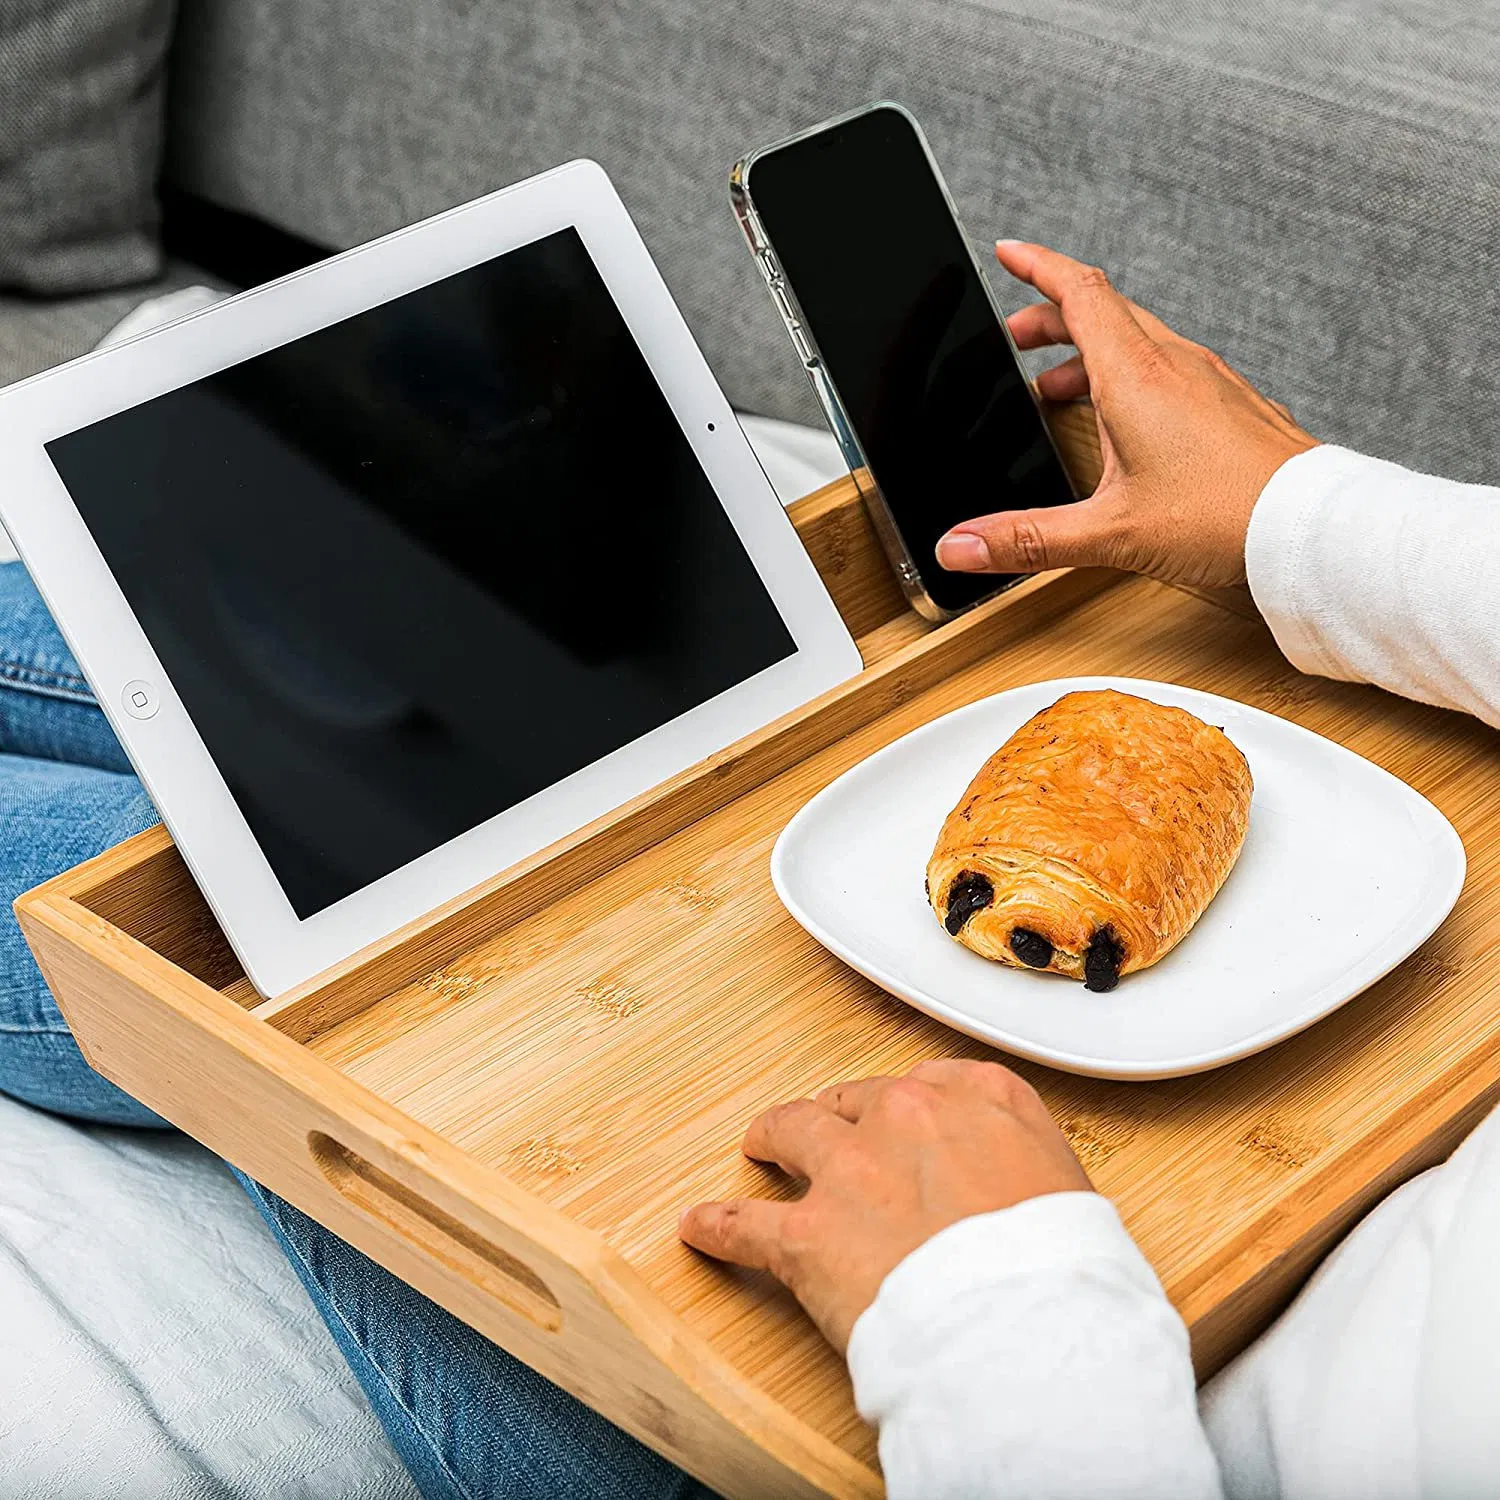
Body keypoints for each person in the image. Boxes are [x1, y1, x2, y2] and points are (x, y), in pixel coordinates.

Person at [2, 238, 1497, 1498]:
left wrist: (998, 1313)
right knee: (298, 773)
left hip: (954, 1409)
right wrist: (1307, 520)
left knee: (251, 940)